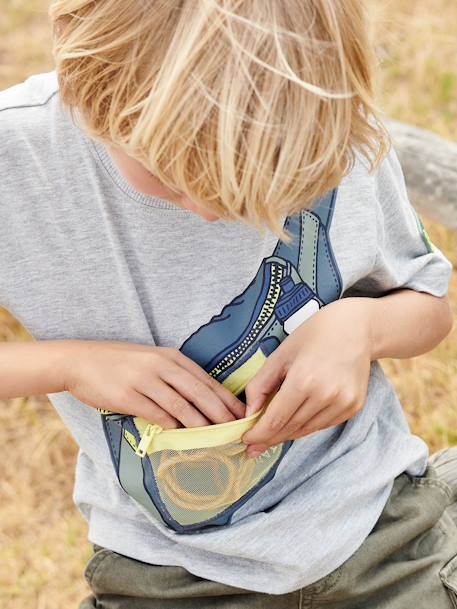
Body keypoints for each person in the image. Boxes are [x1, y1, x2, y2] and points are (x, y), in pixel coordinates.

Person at [0, 0, 456, 607]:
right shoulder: (18, 158)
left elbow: (429, 303)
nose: (213, 210)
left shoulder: (326, 126)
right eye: (170, 175)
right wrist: (68, 364)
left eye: (262, 184)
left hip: (382, 536)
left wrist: (362, 325)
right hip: (163, 574)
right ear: (89, 81)